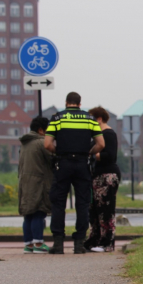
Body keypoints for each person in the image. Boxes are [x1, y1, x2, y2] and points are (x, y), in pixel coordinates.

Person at [44, 92, 105, 254]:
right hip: (82, 164)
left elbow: (47, 144)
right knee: (83, 203)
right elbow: (101, 144)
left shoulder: (57, 118)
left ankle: (58, 244)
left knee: (58, 203)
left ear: (66, 102)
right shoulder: (89, 119)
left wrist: (58, 152)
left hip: (63, 163)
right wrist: (89, 152)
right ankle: (79, 243)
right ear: (80, 103)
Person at [84, 106, 121, 252]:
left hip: (107, 175)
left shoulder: (108, 134)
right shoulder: (97, 135)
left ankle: (107, 242)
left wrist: (94, 155)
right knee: (95, 209)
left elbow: (110, 156)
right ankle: (95, 239)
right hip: (97, 175)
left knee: (106, 209)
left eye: (92, 119)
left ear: (99, 119)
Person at [18, 116, 53, 254]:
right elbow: (52, 159)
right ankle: (38, 243)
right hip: (39, 184)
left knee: (28, 215)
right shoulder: (41, 142)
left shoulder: (25, 143)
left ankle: (29, 244)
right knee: (39, 212)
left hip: (24, 183)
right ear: (41, 130)